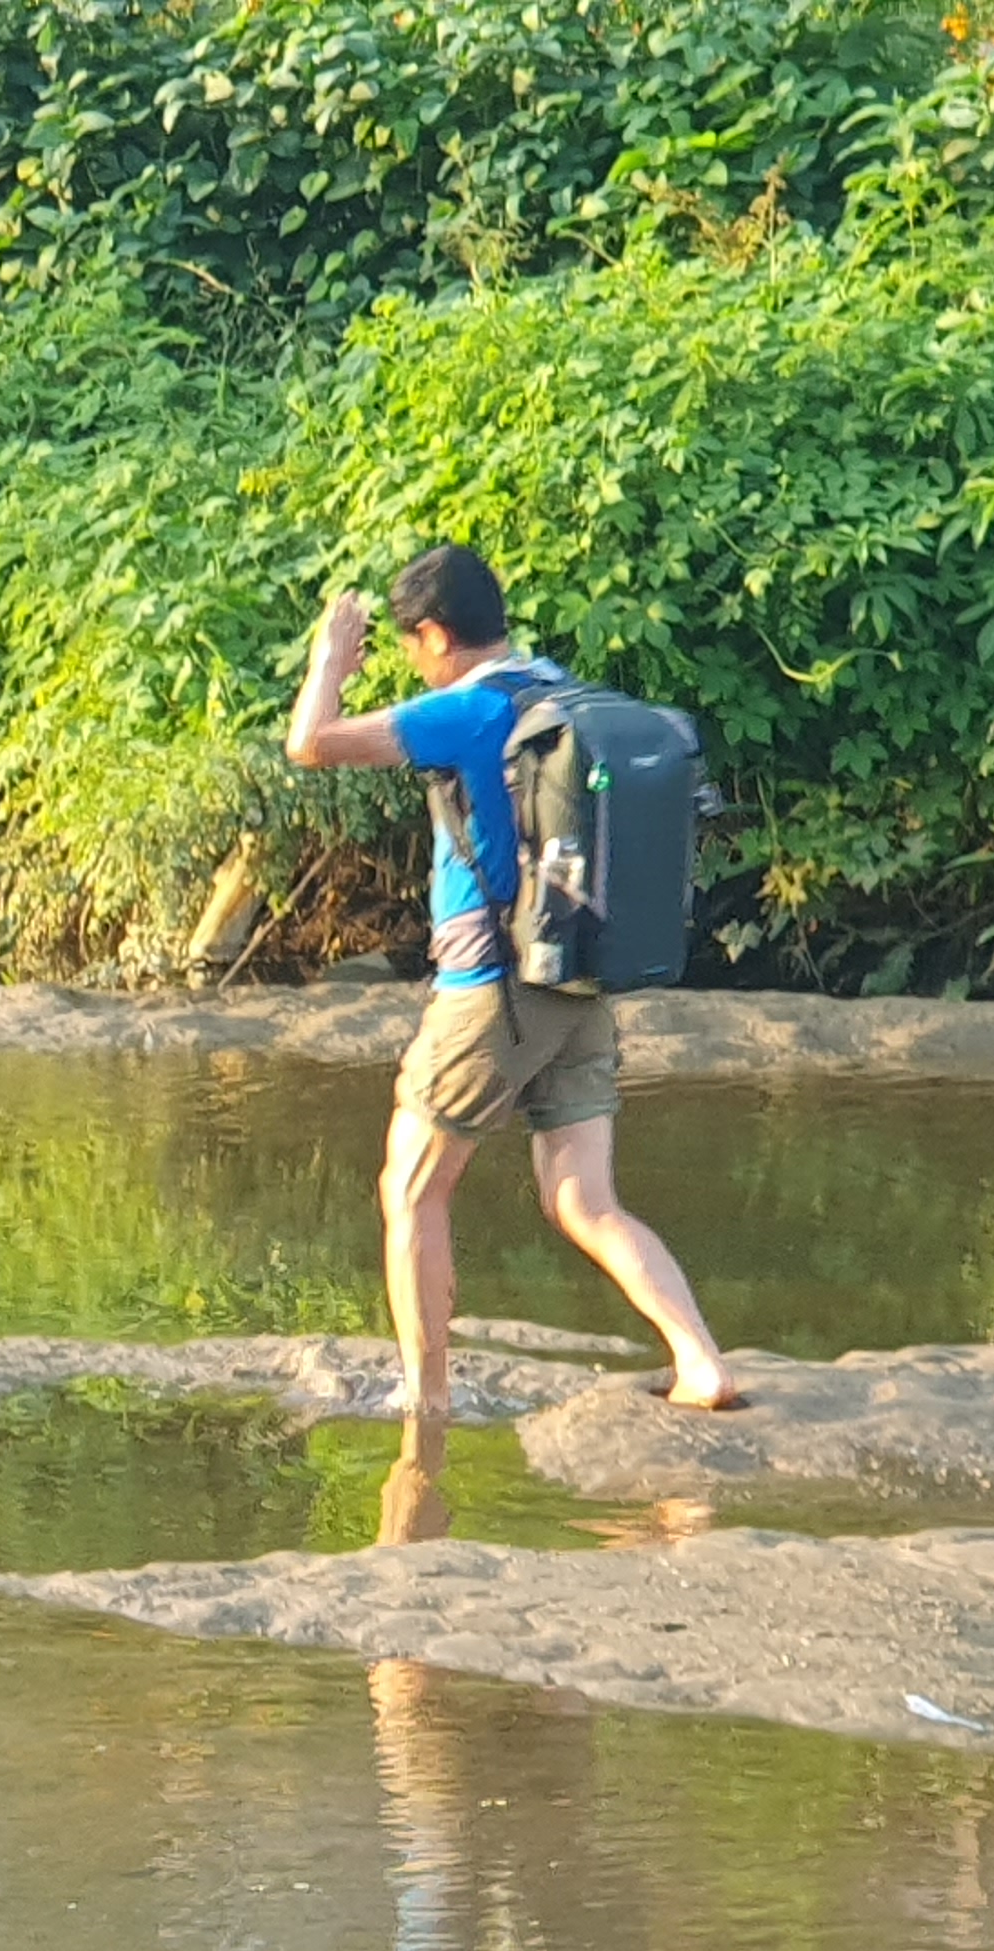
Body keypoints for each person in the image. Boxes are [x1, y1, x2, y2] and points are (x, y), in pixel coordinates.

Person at [281, 543, 739, 1419]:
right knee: (585, 1201)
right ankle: (701, 1363)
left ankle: (426, 1402)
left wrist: (331, 659)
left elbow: (312, 745)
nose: (413, 663)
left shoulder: (466, 709)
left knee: (411, 1189)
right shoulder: (554, 692)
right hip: (576, 979)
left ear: (435, 635)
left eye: (411, 646)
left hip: (491, 989)